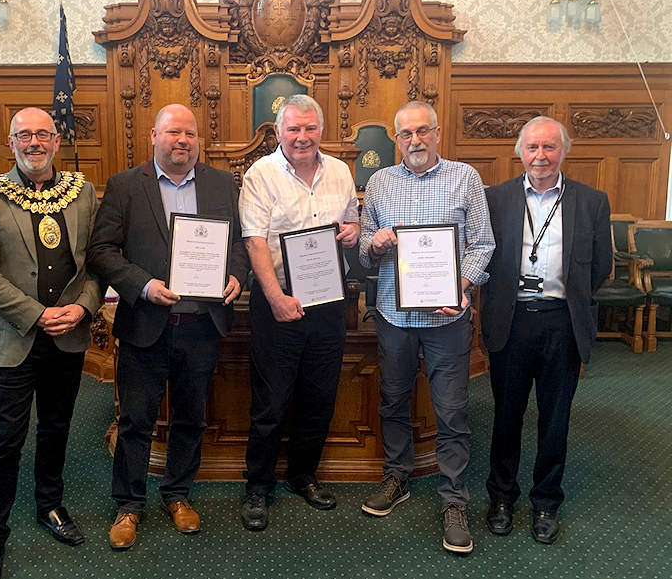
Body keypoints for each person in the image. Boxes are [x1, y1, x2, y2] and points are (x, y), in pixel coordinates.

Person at [86, 104, 249, 549]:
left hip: (202, 324)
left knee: (191, 418)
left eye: (190, 134)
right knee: (136, 419)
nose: (183, 141)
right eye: (174, 132)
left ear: (199, 141)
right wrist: (142, 285)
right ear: (154, 136)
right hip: (146, 322)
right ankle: (128, 505)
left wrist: (237, 274)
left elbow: (239, 242)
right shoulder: (124, 186)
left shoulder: (221, 183)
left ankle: (178, 495)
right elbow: (102, 251)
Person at [0, 108, 102, 579]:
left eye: (43, 134)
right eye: (25, 135)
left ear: (57, 140)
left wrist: (82, 308)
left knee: (56, 428)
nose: (34, 142)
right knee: (6, 439)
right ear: (11, 143)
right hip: (13, 335)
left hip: (68, 334)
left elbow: (96, 264)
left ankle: (50, 506)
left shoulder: (81, 193)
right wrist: (36, 314)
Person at [358, 101, 494, 554]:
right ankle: (397, 477)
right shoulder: (378, 183)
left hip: (447, 319)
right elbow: (362, 250)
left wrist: (462, 284)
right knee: (392, 400)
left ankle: (453, 498)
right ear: (396, 139)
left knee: (452, 411)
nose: (414, 140)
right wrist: (373, 244)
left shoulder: (465, 177)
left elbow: (482, 242)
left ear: (437, 133)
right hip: (394, 316)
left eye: (422, 132)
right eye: (405, 134)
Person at [481, 116, 611, 544]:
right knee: (506, 416)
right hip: (511, 322)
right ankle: (501, 497)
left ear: (563, 152)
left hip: (562, 324)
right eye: (532, 147)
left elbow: (600, 267)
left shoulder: (592, 201)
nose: (540, 156)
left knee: (556, 420)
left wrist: (567, 298)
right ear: (520, 152)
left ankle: (546, 501)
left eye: (549, 147)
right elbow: (481, 255)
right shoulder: (494, 198)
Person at [238, 94, 359, 531]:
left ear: (320, 131)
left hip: (329, 304)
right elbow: (254, 241)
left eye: (310, 128)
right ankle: (258, 485)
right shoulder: (261, 175)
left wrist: (351, 232)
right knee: (270, 402)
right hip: (279, 304)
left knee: (319, 398)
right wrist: (274, 297)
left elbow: (352, 222)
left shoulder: (341, 172)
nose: (302, 137)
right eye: (293, 129)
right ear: (278, 131)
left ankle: (302, 475)